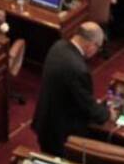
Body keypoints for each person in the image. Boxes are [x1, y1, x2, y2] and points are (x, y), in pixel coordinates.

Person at [33, 23, 110, 155]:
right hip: (61, 134)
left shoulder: (58, 46)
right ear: (91, 45)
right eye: (98, 47)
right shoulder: (78, 69)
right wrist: (106, 113)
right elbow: (87, 107)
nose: (97, 52)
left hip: (45, 122)